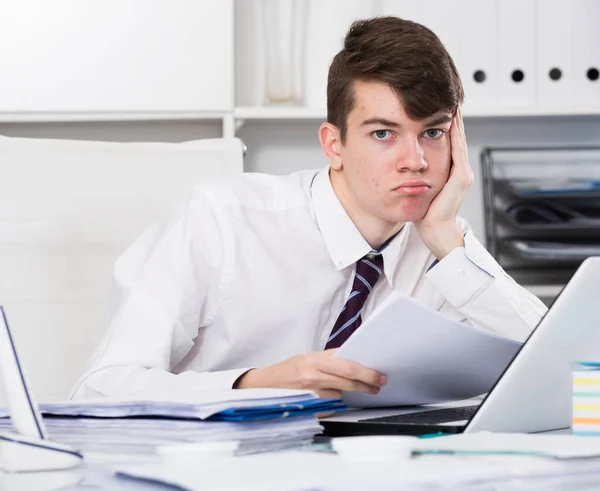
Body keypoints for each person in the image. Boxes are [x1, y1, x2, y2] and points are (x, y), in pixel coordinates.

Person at [70, 16, 547, 401]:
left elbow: (556, 367)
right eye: (383, 133)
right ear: (333, 144)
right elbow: (99, 389)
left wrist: (448, 242)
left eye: (433, 132)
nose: (416, 161)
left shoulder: (442, 247)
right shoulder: (221, 220)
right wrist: (256, 383)